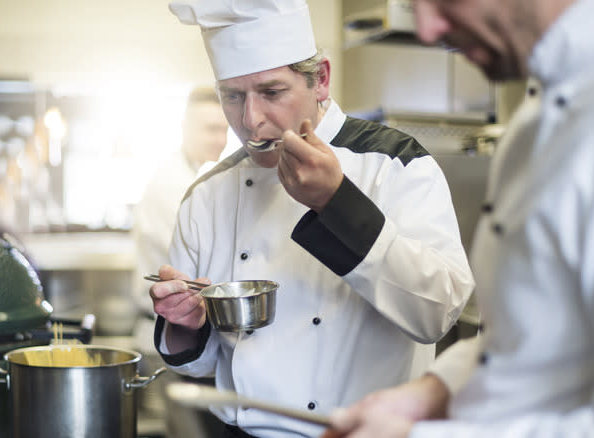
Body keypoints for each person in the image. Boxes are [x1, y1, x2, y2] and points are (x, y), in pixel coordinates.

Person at [322, 0, 594, 437]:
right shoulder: (538, 112)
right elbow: (538, 339)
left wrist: (417, 436)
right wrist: (433, 392)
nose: (427, 29)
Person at [148, 1, 475, 437]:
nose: (250, 121)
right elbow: (203, 363)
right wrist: (183, 323)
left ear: (320, 79)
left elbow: (437, 312)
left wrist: (336, 203)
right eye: (233, 96)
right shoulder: (207, 196)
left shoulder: (396, 166)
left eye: (271, 92)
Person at [131, 86, 230, 438]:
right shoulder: (173, 184)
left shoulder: (204, 174)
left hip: (194, 335)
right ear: (185, 128)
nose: (219, 138)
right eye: (209, 129)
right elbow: (210, 261)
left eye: (223, 128)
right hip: (170, 340)